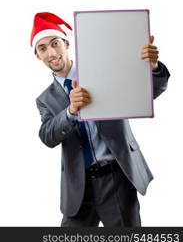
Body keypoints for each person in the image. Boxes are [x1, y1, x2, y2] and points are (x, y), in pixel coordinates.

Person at [31, 12, 170, 227]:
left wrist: (151, 68)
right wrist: (70, 111)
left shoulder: (102, 71)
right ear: (37, 56)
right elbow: (47, 136)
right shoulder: (44, 100)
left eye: (55, 43)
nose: (51, 52)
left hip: (116, 178)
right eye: (42, 48)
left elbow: (149, 93)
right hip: (78, 186)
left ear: (66, 43)